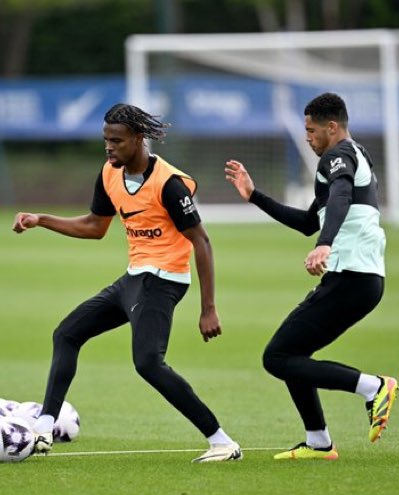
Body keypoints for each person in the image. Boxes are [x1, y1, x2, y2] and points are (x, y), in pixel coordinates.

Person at [13, 103, 241, 463]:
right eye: (105, 140)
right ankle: (44, 427)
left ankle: (222, 441)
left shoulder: (170, 185)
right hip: (136, 278)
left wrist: (208, 308)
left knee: (148, 363)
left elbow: (202, 241)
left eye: (116, 141)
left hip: (164, 280)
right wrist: (42, 219)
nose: (109, 147)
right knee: (67, 333)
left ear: (138, 139)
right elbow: (94, 227)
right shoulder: (109, 173)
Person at [223, 92, 398, 460]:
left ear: (331, 127)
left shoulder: (339, 156)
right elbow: (307, 222)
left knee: (278, 356)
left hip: (351, 274)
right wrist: (254, 195)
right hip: (361, 278)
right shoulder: (353, 155)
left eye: (311, 130)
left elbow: (341, 195)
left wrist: (326, 244)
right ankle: (318, 441)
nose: (307, 137)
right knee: (292, 353)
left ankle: (373, 387)